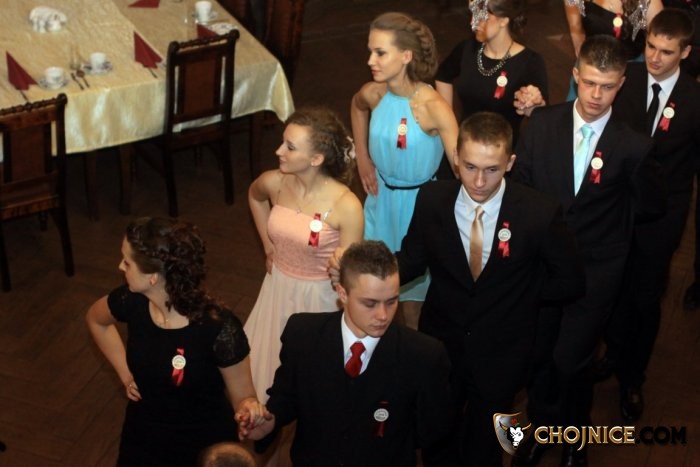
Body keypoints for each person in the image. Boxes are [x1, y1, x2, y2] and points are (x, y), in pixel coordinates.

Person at [393, 111, 584, 467]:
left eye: (492, 169)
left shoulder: (538, 212)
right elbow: (412, 260)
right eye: (469, 167)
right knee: (438, 436)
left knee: (487, 445)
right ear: (455, 158)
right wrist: (367, 272)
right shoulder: (432, 199)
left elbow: (570, 280)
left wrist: (521, 296)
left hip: (503, 352)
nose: (479, 181)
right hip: (442, 343)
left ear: (510, 163)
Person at [511, 35, 665, 467]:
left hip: (595, 274)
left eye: (608, 86)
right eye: (590, 83)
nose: (597, 95)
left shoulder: (632, 145)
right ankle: (543, 427)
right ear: (575, 75)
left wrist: (616, 232)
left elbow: (652, 205)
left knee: (571, 361)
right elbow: (521, 190)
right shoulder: (542, 125)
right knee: (541, 355)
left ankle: (574, 438)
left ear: (622, 84)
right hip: (543, 267)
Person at [239, 240, 452, 467]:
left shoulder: (423, 356)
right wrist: (270, 423)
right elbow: (286, 398)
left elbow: (432, 432)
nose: (383, 315)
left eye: (391, 302)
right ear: (342, 293)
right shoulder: (303, 335)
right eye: (370, 303)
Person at [85, 217, 264, 467]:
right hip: (145, 434)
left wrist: (250, 408)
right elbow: (96, 320)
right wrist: (126, 375)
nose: (120, 266)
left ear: (152, 277)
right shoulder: (130, 301)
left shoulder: (218, 327)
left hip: (202, 442)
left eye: (127, 262)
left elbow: (243, 397)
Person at [600, 8, 700, 422]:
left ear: (685, 52)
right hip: (616, 207)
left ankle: (632, 377)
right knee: (611, 287)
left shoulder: (694, 99)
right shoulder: (627, 80)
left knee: (644, 298)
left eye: (666, 51)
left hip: (662, 217)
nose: (655, 58)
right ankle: (611, 352)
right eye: (651, 47)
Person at [245, 107, 363, 403]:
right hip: (277, 289)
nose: (278, 151)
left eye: (290, 147)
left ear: (316, 159)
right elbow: (254, 197)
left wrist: (340, 266)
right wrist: (268, 246)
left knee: (314, 382)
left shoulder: (346, 205)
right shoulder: (275, 182)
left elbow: (350, 273)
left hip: (319, 300)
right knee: (268, 369)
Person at [351, 11, 459, 328]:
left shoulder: (434, 108)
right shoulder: (374, 93)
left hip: (418, 209)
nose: (370, 60)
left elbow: (462, 168)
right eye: (370, 51)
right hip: (379, 200)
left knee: (412, 307)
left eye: (380, 53)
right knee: (369, 287)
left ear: (407, 55)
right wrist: (362, 157)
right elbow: (356, 107)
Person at [436, 0, 549, 145]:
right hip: (465, 147)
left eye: (482, 17)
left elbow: (543, 114)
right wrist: (448, 126)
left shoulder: (530, 62)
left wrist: (532, 104)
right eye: (473, 15)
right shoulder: (467, 49)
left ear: (504, 20)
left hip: (503, 152)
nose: (473, 23)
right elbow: (443, 76)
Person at [563, 0, 663, 99]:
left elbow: (660, 43)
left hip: (629, 69)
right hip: (590, 67)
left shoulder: (648, 3)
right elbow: (576, 30)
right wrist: (585, 62)